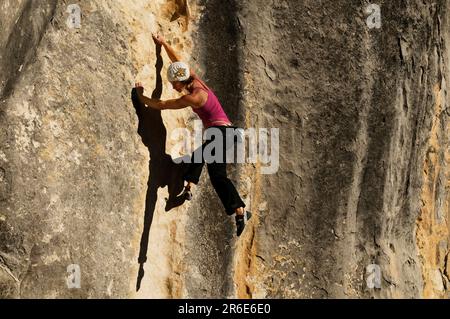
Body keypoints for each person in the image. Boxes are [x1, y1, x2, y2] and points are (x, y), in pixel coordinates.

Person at [134, 33, 251, 236]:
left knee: (210, 166)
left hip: (222, 134)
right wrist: (163, 44)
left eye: (173, 84)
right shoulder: (194, 79)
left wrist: (140, 97)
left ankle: (230, 206)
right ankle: (202, 192)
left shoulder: (193, 97)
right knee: (208, 166)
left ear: (181, 83)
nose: (172, 86)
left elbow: (163, 105)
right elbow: (178, 61)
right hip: (226, 134)